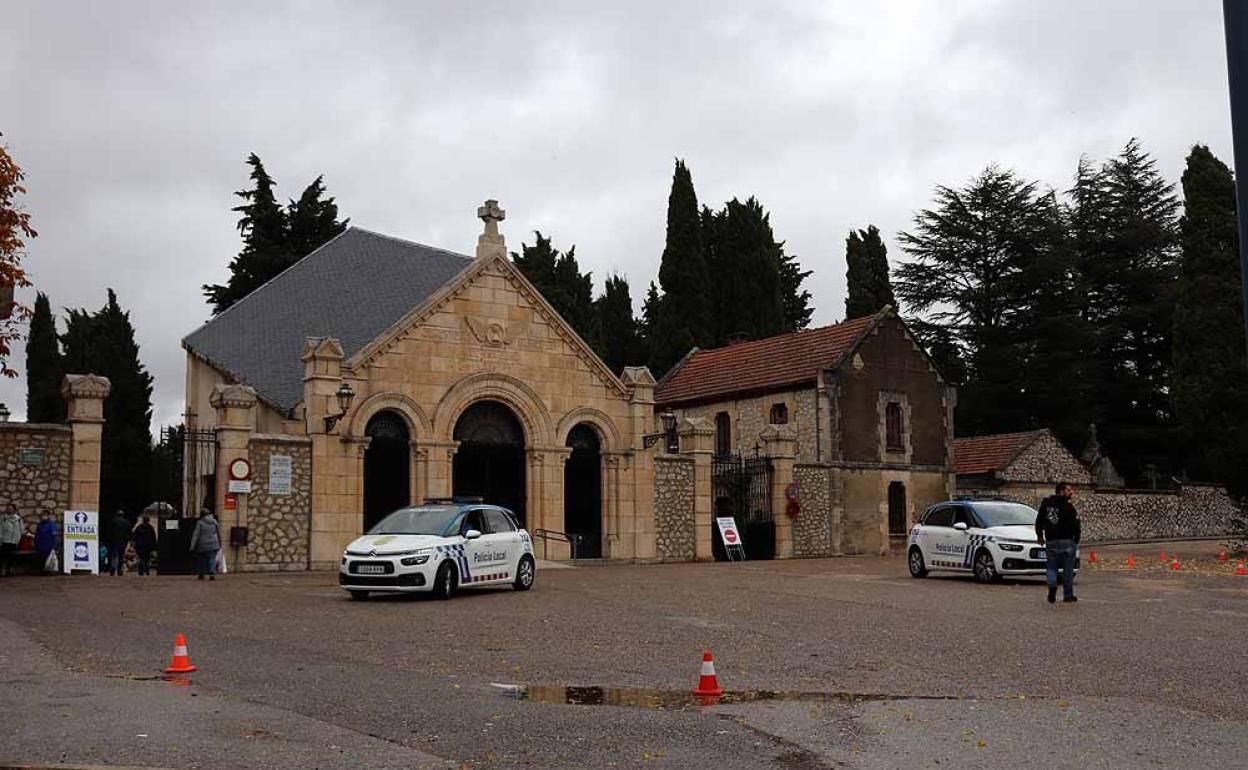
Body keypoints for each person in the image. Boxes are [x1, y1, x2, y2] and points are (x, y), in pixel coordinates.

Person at [1035, 481, 1082, 604]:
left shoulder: (1046, 504)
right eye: (1068, 490)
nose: (1071, 492)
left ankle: (1052, 587)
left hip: (1051, 541)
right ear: (1061, 491)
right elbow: (1076, 524)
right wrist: (1076, 539)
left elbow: (1039, 520)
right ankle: (1068, 595)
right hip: (1067, 541)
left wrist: (1040, 535)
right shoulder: (1068, 506)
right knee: (1068, 570)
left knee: (1051, 567)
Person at [189, 507, 221, 581]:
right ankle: (212, 572)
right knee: (212, 559)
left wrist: (192, 546)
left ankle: (201, 574)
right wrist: (220, 543)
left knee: (201, 559)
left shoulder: (200, 522)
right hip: (214, 543)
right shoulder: (214, 521)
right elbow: (218, 533)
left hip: (202, 544)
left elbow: (196, 535)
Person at [105, 510, 132, 576]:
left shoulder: (113, 521)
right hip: (123, 541)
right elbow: (129, 533)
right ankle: (119, 570)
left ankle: (113, 569)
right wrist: (128, 540)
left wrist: (109, 540)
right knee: (121, 556)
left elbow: (109, 532)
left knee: (113, 555)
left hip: (114, 541)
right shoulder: (127, 522)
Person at [0, 506, 22, 577]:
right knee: (4, 556)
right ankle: (3, 570)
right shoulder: (3, 518)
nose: (10, 510)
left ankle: (9, 570)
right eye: (8, 509)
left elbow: (21, 529)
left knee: (13, 556)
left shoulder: (18, 519)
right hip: (5, 540)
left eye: (11, 509)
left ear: (14, 510)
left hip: (14, 541)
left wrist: (19, 539)